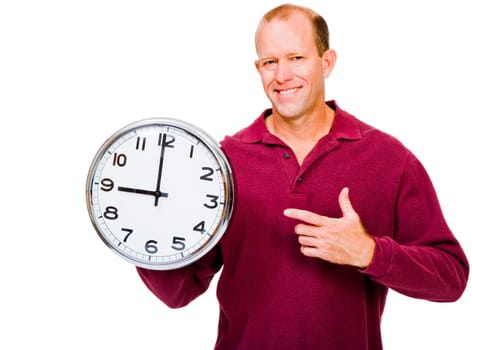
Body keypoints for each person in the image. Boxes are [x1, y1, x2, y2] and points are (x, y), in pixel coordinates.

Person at [137, 4, 469, 349]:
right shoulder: (221, 164)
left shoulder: (389, 159)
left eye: (296, 57)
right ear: (258, 68)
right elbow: (179, 292)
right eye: (270, 62)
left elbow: (451, 278)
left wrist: (369, 252)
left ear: (326, 62)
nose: (282, 76)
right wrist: (146, 230)